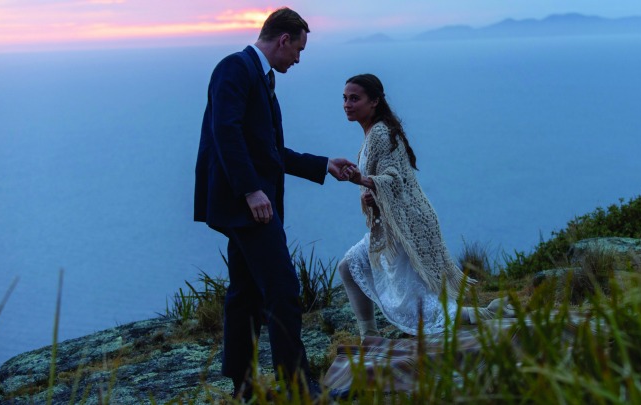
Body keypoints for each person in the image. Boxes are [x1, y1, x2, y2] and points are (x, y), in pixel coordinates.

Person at [193, 8, 355, 400]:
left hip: (246, 204)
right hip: (248, 206)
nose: (298, 59)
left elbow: (268, 151)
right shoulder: (235, 68)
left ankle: (243, 385)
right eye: (298, 50)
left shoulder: (258, 77)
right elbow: (225, 130)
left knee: (244, 294)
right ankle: (298, 388)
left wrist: (322, 165)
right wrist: (250, 190)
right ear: (283, 40)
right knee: (283, 289)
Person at [337, 74, 500, 340]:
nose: (347, 104)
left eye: (355, 98)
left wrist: (364, 181)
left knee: (422, 309)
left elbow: (394, 180)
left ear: (375, 101)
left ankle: (484, 314)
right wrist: (369, 195)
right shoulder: (372, 133)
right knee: (349, 266)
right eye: (344, 98)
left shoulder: (380, 133)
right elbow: (387, 182)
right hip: (397, 223)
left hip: (408, 224)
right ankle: (369, 336)